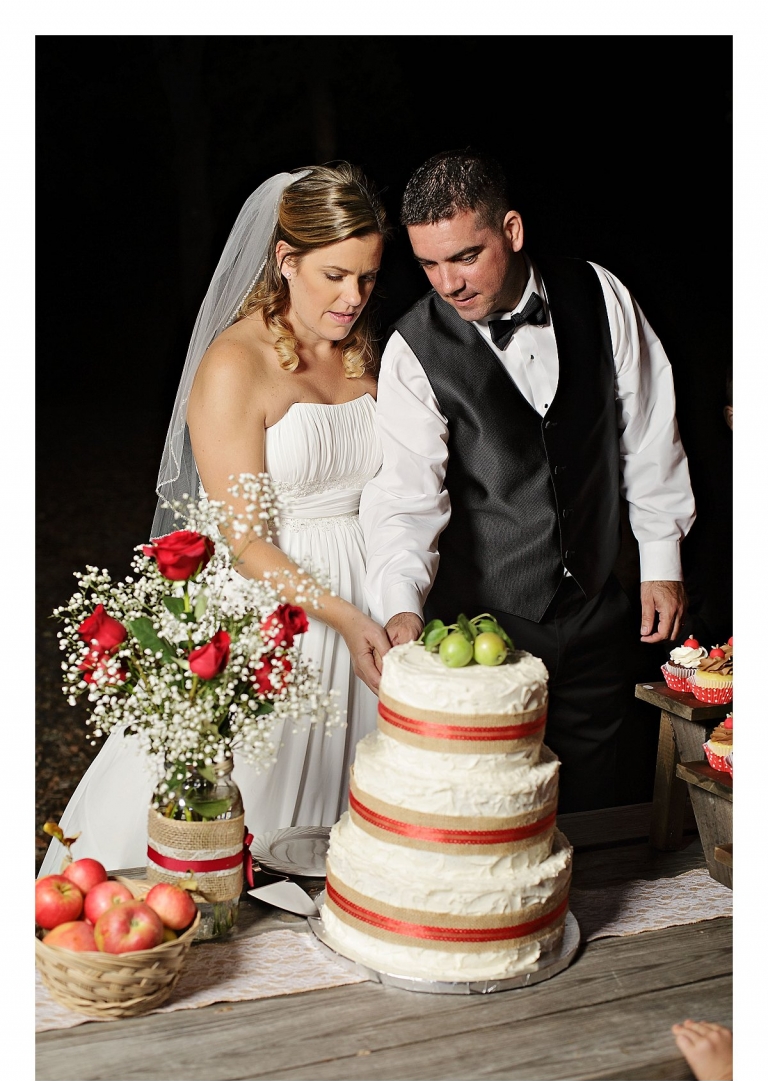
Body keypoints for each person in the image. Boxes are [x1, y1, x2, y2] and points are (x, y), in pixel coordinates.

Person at [39, 164, 392, 878]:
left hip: (378, 599)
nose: (352, 298)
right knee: (241, 836)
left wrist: (390, 601)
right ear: (286, 261)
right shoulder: (235, 363)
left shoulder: (365, 351)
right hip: (286, 616)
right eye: (334, 276)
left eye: (367, 277)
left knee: (368, 847)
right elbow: (246, 539)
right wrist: (347, 617)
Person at [360, 151, 697, 812]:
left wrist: (662, 560)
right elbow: (405, 500)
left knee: (602, 805)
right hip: (489, 625)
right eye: (428, 264)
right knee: (498, 812)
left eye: (464, 256)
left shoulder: (600, 293)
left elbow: (651, 432)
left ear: (511, 231)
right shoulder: (412, 349)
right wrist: (400, 602)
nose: (447, 284)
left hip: (601, 604)